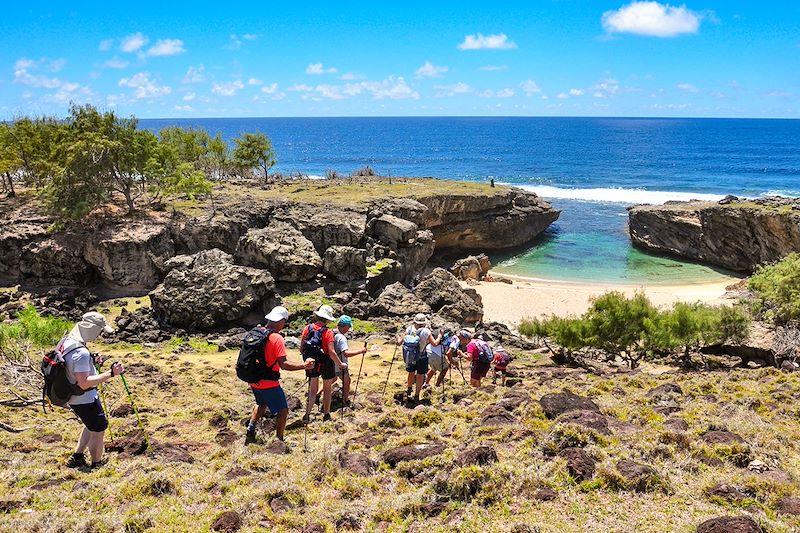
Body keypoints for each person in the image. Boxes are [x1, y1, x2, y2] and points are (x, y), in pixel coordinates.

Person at [58, 312, 124, 469]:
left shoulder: (68, 341)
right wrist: (111, 373)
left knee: (90, 424)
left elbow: (71, 366)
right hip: (84, 398)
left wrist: (91, 360)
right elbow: (84, 383)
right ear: (92, 329)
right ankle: (96, 464)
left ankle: (78, 456)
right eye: (100, 330)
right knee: (99, 428)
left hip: (73, 396)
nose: (100, 334)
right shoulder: (81, 352)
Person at [246, 306, 314, 445]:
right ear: (281, 321)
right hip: (269, 382)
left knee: (261, 403)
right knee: (283, 410)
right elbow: (284, 364)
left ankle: (251, 428)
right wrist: (304, 366)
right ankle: (279, 440)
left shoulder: (256, 332)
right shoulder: (276, 338)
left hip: (254, 380)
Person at [301, 305, 346, 422]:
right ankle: (326, 415)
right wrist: (340, 363)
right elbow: (331, 352)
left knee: (312, 390)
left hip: (311, 363)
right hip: (326, 363)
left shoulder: (307, 328)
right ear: (327, 319)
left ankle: (307, 414)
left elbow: (301, 348)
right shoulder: (328, 332)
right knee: (327, 389)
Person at [396, 313, 437, 402]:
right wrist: (440, 335)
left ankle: (409, 389)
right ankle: (417, 395)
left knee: (410, 373)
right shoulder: (426, 331)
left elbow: (400, 342)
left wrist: (398, 338)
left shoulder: (409, 329)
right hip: (422, 356)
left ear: (415, 321)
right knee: (420, 376)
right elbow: (434, 343)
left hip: (409, 356)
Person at [334, 315, 367, 407]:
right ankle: (345, 401)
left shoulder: (332, 333)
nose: (348, 329)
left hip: (330, 363)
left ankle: (317, 394)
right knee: (347, 381)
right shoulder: (342, 338)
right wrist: (360, 351)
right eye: (348, 327)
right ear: (344, 326)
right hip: (341, 364)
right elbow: (346, 353)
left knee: (331, 379)